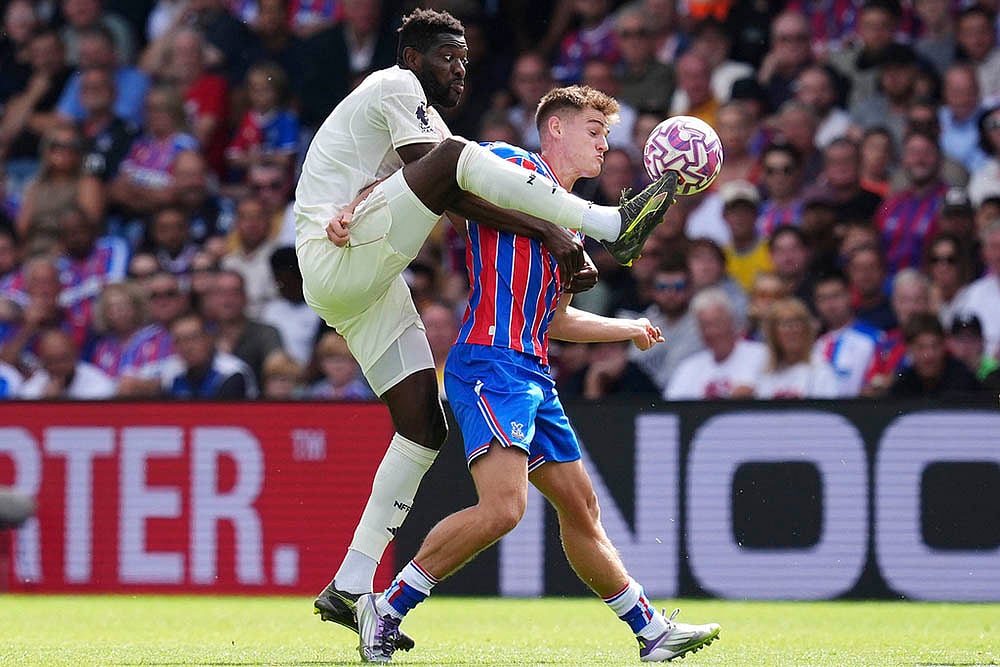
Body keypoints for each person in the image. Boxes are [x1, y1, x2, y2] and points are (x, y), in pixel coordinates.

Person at [299, 9, 679, 643]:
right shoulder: (398, 87)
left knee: (423, 428)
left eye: (465, 59)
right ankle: (615, 223)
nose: (459, 68)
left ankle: (351, 584)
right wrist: (567, 231)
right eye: (447, 56)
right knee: (505, 507)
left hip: (371, 283)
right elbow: (449, 178)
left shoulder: (427, 126)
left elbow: (444, 189)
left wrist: (588, 279)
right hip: (342, 261)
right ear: (412, 56)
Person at [357, 84, 720, 664]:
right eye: (594, 132)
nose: (605, 146)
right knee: (505, 508)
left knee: (582, 509)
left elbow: (554, 319)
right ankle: (387, 606)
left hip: (533, 374)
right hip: (488, 362)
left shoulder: (570, 227)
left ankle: (649, 632)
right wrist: (367, 197)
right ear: (555, 129)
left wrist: (625, 329)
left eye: (607, 135)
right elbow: (436, 169)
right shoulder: (510, 165)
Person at [666, 287, 767, 400]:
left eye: (716, 324)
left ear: (731, 322)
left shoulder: (762, 356)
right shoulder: (688, 368)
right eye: (704, 325)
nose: (711, 332)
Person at [160, 311, 257, 399]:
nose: (186, 347)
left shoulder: (232, 372)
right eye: (178, 340)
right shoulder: (170, 371)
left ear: (208, 338)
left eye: (193, 338)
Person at [756, 296, 838, 399]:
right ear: (773, 333)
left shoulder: (820, 369)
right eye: (785, 324)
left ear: (807, 330)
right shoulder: (764, 372)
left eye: (797, 323)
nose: (792, 330)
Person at [889, 313, 982, 399]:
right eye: (921, 347)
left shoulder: (965, 382)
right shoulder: (903, 385)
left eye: (935, 346)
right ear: (909, 349)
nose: (930, 355)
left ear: (944, 345)